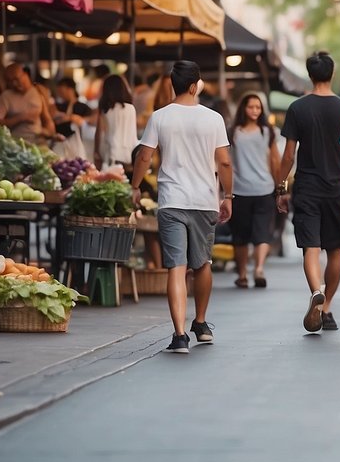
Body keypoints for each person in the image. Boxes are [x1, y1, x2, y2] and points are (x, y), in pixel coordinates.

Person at [130, 61, 233, 354]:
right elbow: (224, 161)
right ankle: (200, 323)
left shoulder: (159, 117)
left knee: (177, 266)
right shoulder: (213, 118)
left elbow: (144, 157)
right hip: (204, 201)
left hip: (171, 201)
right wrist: (229, 196)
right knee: (202, 263)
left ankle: (178, 335)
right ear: (194, 85)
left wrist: (135, 187)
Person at [277, 52, 340, 333]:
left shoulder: (297, 108)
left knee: (311, 247)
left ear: (310, 75)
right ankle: (328, 307)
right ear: (331, 74)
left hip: (307, 186)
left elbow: (288, 156)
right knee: (335, 251)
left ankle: (316, 293)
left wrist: (280, 186)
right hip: (337, 188)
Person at [227, 92, 280, 289]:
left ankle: (257, 269)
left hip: (264, 189)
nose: (255, 111)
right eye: (251, 107)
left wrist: (279, 187)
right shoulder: (233, 132)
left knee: (261, 234)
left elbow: (275, 160)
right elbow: (226, 162)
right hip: (239, 190)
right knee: (241, 236)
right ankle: (244, 273)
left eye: (258, 107)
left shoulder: (267, 131)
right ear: (243, 108)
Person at [0, 64, 56, 145]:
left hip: (38, 143)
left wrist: (50, 133)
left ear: (25, 75)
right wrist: (20, 118)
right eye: (10, 81)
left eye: (16, 79)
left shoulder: (38, 91)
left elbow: (47, 119)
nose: (14, 84)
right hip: (16, 145)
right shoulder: (5, 96)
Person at [94, 74, 139, 170]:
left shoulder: (106, 110)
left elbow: (100, 134)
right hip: (129, 153)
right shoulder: (131, 108)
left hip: (110, 154)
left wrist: (97, 152)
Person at [51, 78, 93, 161]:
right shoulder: (58, 106)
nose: (60, 94)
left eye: (61, 91)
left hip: (77, 144)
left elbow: (91, 120)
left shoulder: (82, 106)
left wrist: (73, 118)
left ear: (70, 89)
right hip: (59, 144)